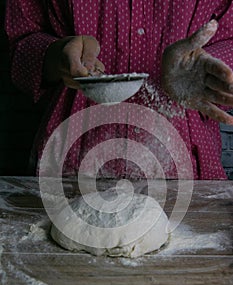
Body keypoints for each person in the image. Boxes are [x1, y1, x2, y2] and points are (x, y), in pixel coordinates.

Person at [4, 0, 233, 179]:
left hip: (184, 164)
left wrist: (210, 70)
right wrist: (58, 56)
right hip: (69, 162)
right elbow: (20, 41)